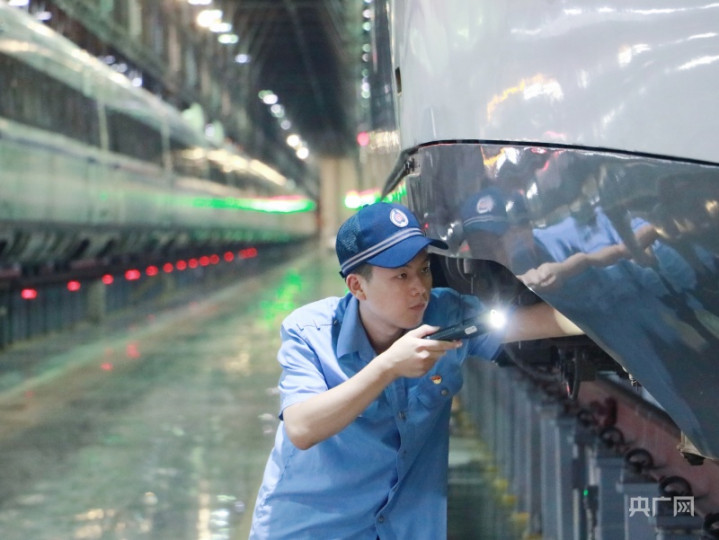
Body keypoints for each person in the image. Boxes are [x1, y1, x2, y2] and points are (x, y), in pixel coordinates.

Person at [249, 202, 581, 540]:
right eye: (401, 275)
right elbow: (302, 428)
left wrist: (589, 277)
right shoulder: (310, 332)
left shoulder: (445, 313)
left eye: (424, 269)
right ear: (357, 286)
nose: (420, 287)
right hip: (311, 529)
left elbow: (536, 323)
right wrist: (388, 366)